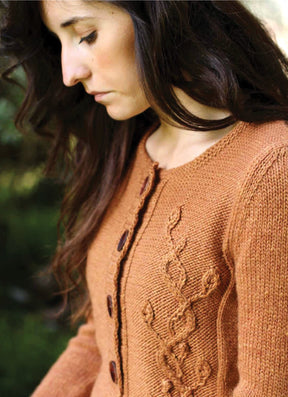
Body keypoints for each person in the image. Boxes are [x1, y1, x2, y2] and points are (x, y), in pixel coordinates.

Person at [1, 1, 288, 396]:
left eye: (87, 35)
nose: (70, 73)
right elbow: (101, 337)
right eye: (60, 43)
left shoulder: (269, 171)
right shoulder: (130, 147)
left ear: (159, 13)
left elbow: (269, 386)